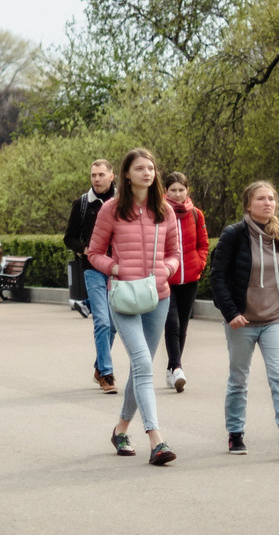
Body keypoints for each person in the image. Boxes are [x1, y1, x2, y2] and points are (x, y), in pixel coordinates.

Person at [86, 147, 181, 466]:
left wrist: (166, 270)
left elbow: (175, 254)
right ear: (127, 174)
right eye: (140, 168)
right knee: (142, 362)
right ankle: (157, 439)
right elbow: (94, 252)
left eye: (151, 167)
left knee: (141, 367)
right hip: (124, 296)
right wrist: (115, 269)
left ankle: (120, 429)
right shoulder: (111, 209)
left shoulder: (165, 210)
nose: (147, 172)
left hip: (158, 297)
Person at [207, 181, 279, 459]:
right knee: (239, 380)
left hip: (274, 318)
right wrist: (231, 313)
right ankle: (235, 434)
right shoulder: (234, 235)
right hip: (243, 321)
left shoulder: (278, 235)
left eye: (271, 199)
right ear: (248, 204)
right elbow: (217, 277)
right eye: (261, 199)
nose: (268, 203)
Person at [65, 158, 119, 391]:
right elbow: (69, 238)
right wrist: (86, 249)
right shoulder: (82, 204)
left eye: (100, 175)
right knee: (102, 321)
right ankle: (107, 374)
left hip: (118, 270)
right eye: (93, 175)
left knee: (115, 323)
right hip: (93, 270)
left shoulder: (122, 203)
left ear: (111, 176)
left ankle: (99, 366)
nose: (96, 179)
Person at [163, 171, 211, 392]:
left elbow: (203, 244)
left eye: (181, 189)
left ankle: (171, 368)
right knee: (171, 323)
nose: (178, 194)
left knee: (183, 325)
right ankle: (177, 368)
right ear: (165, 191)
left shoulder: (196, 215)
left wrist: (199, 264)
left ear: (187, 191)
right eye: (173, 190)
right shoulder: (160, 213)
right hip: (166, 278)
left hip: (190, 279)